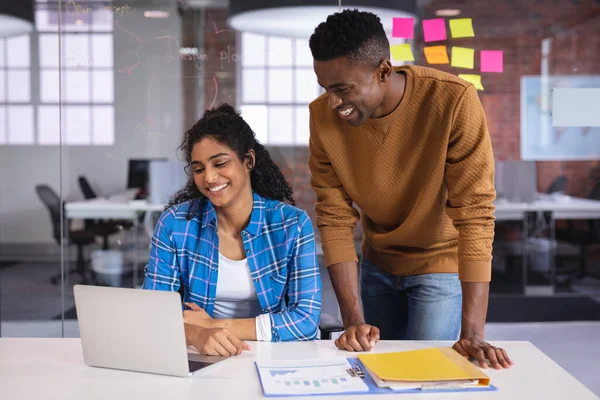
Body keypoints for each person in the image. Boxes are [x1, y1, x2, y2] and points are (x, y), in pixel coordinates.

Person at [307, 9, 512, 369]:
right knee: (373, 372)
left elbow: (476, 214)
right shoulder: (323, 117)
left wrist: (473, 333)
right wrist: (352, 320)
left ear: (383, 71)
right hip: (377, 261)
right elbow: (334, 216)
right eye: (326, 89)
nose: (333, 102)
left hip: (441, 261)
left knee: (426, 373)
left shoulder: (453, 100)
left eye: (342, 89)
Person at [143, 104, 322, 356]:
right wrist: (196, 335)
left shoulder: (292, 225)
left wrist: (213, 326)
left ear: (248, 160)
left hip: (275, 356)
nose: (209, 177)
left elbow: (305, 321)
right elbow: (154, 313)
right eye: (198, 169)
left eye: (220, 163)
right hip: (202, 353)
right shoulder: (175, 224)